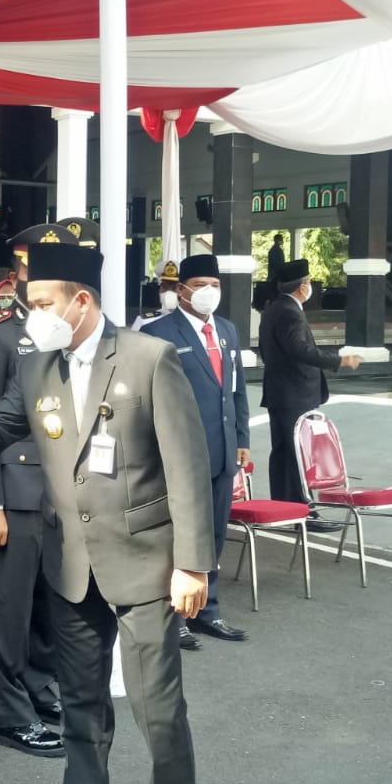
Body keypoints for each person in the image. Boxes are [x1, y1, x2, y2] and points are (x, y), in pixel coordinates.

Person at [0, 243, 214, 784]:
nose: (31, 314)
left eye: (41, 303)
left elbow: (187, 467)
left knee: (157, 706)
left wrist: (192, 563)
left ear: (80, 301)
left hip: (144, 561)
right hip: (70, 564)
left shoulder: (148, 358)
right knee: (81, 704)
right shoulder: (37, 366)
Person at [0, 224, 77, 758]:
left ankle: (38, 685)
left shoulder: (73, 333)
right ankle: (9, 716)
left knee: (51, 602)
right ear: (21, 271)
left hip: (62, 491)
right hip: (17, 492)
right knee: (9, 611)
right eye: (39, 267)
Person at [140, 255, 250, 648]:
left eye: (215, 285)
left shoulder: (227, 330)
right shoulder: (158, 332)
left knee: (213, 534)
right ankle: (173, 615)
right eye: (201, 284)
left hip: (221, 452)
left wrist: (242, 439)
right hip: (178, 456)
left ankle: (207, 610)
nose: (209, 292)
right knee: (176, 536)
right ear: (181, 289)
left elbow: (236, 390)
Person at [259, 258, 359, 517]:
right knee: (297, 453)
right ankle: (302, 509)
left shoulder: (274, 307)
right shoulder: (289, 311)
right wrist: (337, 360)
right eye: (309, 282)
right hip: (295, 392)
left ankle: (285, 508)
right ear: (302, 286)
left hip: (281, 391)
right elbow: (299, 349)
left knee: (284, 453)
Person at [130, 259, 181, 331]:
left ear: (182, 290)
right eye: (165, 287)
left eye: (174, 288)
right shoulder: (144, 322)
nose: (169, 292)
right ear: (159, 290)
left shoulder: (192, 321)